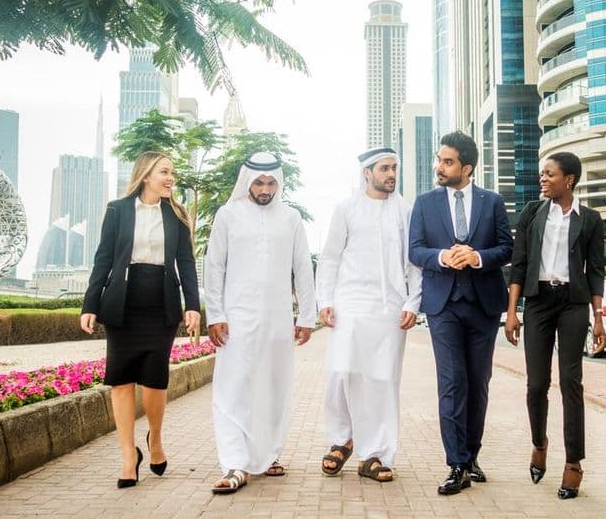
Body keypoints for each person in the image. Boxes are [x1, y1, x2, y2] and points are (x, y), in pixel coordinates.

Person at [80, 151, 201, 489]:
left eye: (172, 173)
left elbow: (186, 263)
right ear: (146, 174)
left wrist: (192, 305)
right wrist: (90, 304)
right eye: (164, 171)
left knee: (155, 380)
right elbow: (103, 259)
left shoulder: (176, 214)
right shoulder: (117, 211)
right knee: (120, 380)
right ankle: (127, 457)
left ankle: (156, 439)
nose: (170, 178)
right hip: (122, 302)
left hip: (159, 303)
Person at [408, 131, 513, 495]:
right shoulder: (424, 203)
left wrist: (478, 257)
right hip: (443, 306)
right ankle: (455, 464)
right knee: (452, 383)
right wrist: (442, 256)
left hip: (483, 304)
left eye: (447, 161)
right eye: (438, 159)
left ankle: (471, 456)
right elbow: (415, 250)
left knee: (479, 383)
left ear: (466, 167)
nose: (439, 166)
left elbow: (506, 248)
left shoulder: (493, 201)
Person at [204, 152, 316, 494]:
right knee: (233, 387)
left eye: (271, 183)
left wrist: (306, 316)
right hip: (237, 319)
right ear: (247, 182)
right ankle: (235, 463)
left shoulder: (291, 218)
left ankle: (269, 455)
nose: (265, 189)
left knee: (274, 387)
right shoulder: (228, 215)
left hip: (278, 318)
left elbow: (303, 269)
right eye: (258, 182)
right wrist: (216, 315)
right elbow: (214, 267)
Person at [504, 151, 606, 500]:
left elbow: (595, 271)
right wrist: (512, 312)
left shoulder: (590, 219)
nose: (543, 179)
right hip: (538, 303)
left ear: (570, 180)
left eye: (550, 174)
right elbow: (518, 264)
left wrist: (598, 318)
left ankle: (574, 463)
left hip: (573, 303)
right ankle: (539, 442)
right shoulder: (532, 213)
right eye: (542, 174)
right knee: (536, 384)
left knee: (570, 383)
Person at [316, 147, 422, 482]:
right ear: (367, 172)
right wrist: (324, 300)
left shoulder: (405, 211)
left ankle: (375, 455)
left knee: (382, 379)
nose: (391, 174)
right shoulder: (346, 209)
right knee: (341, 372)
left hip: (390, 307)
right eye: (385, 168)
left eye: (395, 168)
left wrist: (412, 303)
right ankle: (342, 439)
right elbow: (330, 257)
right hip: (349, 302)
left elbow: (414, 263)